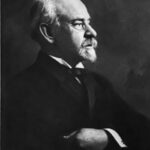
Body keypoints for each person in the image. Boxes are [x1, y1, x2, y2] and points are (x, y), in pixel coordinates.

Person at [4, 0, 150, 150]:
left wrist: (107, 137)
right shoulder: (19, 89)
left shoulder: (100, 83)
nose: (93, 32)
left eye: (88, 22)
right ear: (48, 32)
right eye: (79, 24)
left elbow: (143, 131)